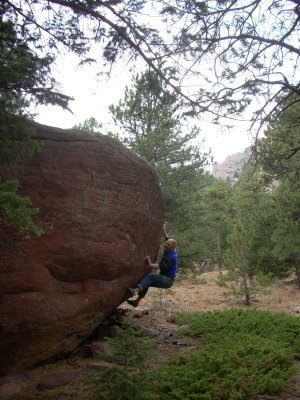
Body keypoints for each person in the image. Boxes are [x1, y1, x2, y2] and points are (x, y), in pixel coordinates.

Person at [127, 224, 177, 307]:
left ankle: (135, 291)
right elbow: (167, 239)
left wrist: (150, 264)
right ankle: (136, 302)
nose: (165, 245)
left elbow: (161, 266)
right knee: (146, 282)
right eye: (166, 243)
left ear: (171, 247)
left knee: (150, 277)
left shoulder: (170, 257)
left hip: (168, 280)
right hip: (166, 278)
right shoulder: (172, 250)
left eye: (168, 245)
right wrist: (164, 231)